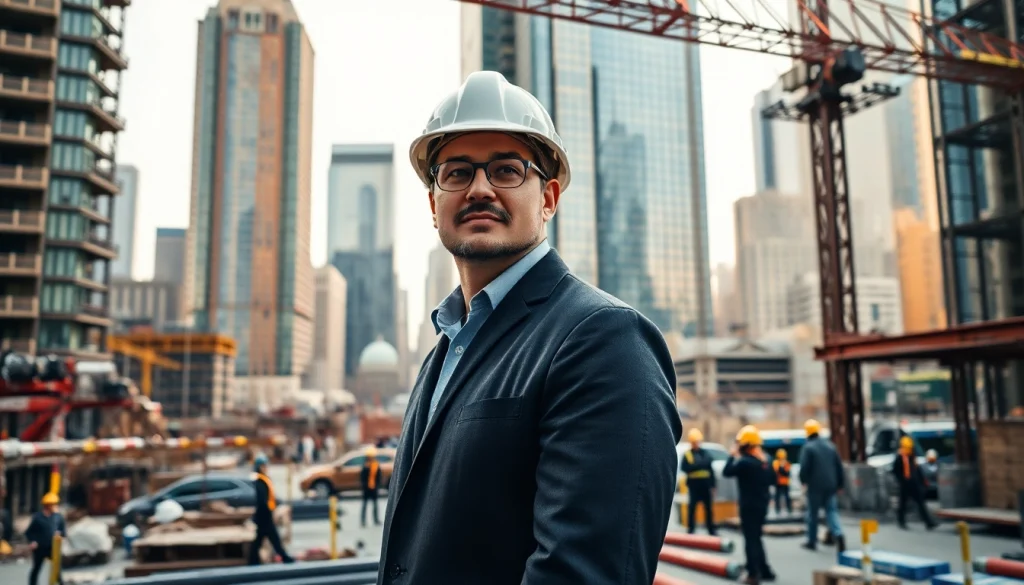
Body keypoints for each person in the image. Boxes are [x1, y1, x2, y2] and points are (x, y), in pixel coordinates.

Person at [377, 71, 682, 585]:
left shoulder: (603, 339)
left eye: (506, 170)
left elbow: (584, 574)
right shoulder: (444, 350)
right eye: (455, 173)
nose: (478, 188)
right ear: (434, 205)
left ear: (549, 198)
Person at [723, 425, 776, 585]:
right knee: (757, 537)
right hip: (762, 505)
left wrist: (732, 455)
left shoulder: (745, 462)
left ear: (745, 445)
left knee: (750, 539)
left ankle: (753, 574)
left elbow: (727, 471)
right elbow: (773, 480)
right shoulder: (766, 461)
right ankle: (765, 570)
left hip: (749, 506)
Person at [798, 418, 846, 552]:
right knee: (831, 511)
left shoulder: (808, 448)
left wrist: (803, 481)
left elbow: (804, 468)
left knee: (812, 514)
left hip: (815, 486)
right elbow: (838, 466)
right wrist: (840, 484)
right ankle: (838, 534)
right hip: (831, 485)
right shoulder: (830, 446)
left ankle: (811, 541)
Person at [249, 454, 295, 565]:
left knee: (262, 539)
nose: (266, 468)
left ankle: (253, 560)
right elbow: (262, 501)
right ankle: (284, 557)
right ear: (259, 467)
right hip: (264, 515)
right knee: (273, 537)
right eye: (264, 466)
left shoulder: (264, 480)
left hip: (264, 515)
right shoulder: (260, 481)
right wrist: (269, 512)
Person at [892, 436, 937, 530]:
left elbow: (917, 469)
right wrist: (901, 480)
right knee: (902, 504)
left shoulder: (912, 456)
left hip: (914, 483)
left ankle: (929, 522)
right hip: (904, 484)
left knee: (920, 502)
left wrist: (922, 480)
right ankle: (901, 521)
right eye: (907, 447)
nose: (908, 449)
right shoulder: (900, 457)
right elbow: (895, 471)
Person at [681, 428, 717, 535]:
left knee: (708, 509)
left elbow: (710, 469)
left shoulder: (705, 453)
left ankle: (711, 530)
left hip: (705, 485)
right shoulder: (687, 455)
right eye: (694, 442)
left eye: (697, 441)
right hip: (694, 486)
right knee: (692, 508)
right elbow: (685, 468)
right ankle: (691, 530)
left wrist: (713, 485)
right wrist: (699, 464)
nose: (696, 444)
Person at [25, 492, 65, 585]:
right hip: (40, 548)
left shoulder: (58, 517)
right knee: (36, 568)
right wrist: (33, 541)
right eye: (52, 505)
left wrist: (60, 534)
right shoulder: (38, 518)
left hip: (53, 548)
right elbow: (29, 532)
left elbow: (63, 530)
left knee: (56, 569)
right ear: (47, 505)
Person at [360, 446, 383, 527]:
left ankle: (376, 520)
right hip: (366, 488)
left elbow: (379, 476)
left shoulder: (376, 465)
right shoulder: (365, 465)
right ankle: (363, 521)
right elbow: (362, 477)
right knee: (364, 505)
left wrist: (377, 486)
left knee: (375, 505)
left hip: (374, 488)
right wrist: (364, 485)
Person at [771, 449, 792, 516]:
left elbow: (787, 473)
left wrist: (783, 466)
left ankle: (789, 509)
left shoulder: (787, 463)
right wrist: (781, 466)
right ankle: (777, 509)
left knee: (787, 496)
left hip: (785, 482)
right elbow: (777, 472)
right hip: (778, 482)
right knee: (777, 496)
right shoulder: (775, 463)